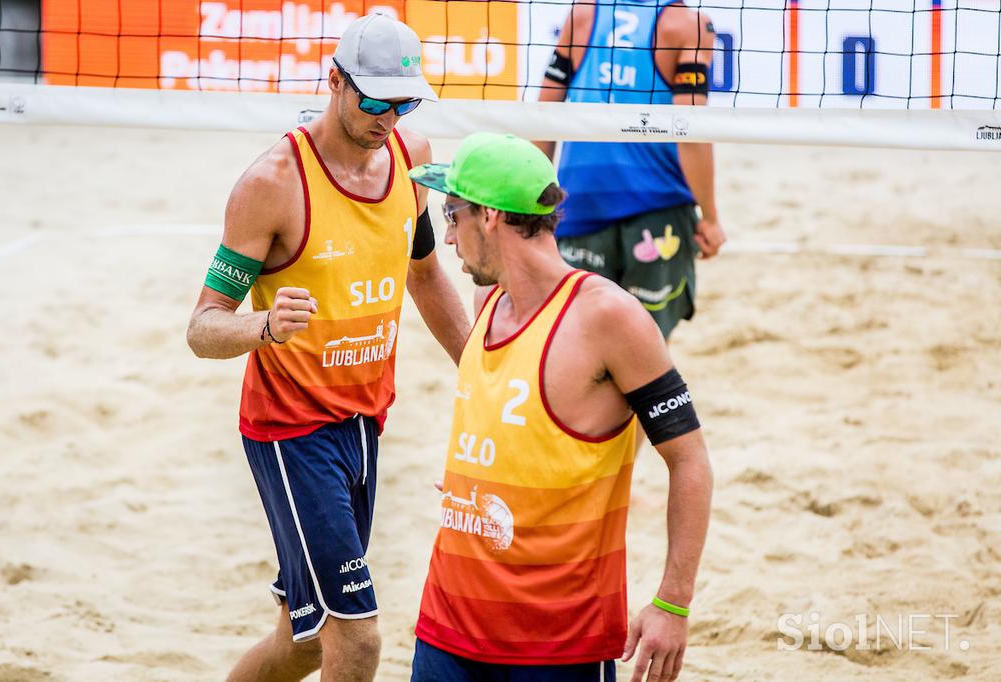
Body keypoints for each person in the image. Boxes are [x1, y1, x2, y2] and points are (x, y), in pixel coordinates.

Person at [185, 12, 469, 682]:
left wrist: (482, 369)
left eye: (404, 103)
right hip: (291, 434)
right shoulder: (272, 185)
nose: (388, 117)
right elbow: (202, 326)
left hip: (365, 420)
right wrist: (265, 328)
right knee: (358, 638)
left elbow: (425, 274)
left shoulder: (409, 158)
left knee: (304, 640)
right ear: (334, 81)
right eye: (374, 100)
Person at [407, 133, 712, 682]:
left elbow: (690, 460)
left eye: (454, 214)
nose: (450, 235)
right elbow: (518, 419)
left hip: (559, 638)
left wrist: (672, 603)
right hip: (449, 620)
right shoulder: (486, 302)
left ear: (493, 217)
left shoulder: (608, 319)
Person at [536, 0, 726, 339]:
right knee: (643, 351)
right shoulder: (688, 24)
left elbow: (543, 118)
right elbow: (691, 132)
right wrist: (710, 216)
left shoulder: (583, 13)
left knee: (581, 347)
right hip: (657, 206)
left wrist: (534, 201)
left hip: (580, 200)